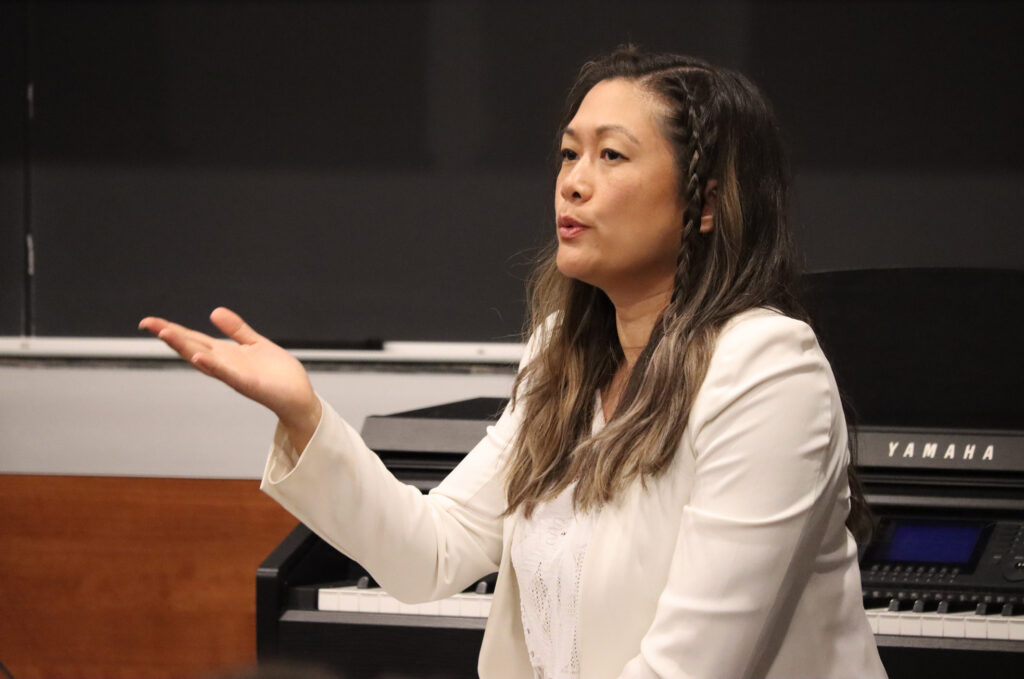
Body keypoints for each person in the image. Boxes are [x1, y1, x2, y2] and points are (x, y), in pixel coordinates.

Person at [140, 47, 886, 679]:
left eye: (611, 155)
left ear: (706, 205)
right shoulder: (560, 358)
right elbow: (428, 552)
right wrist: (305, 415)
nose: (573, 180)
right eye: (568, 152)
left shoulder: (766, 369)